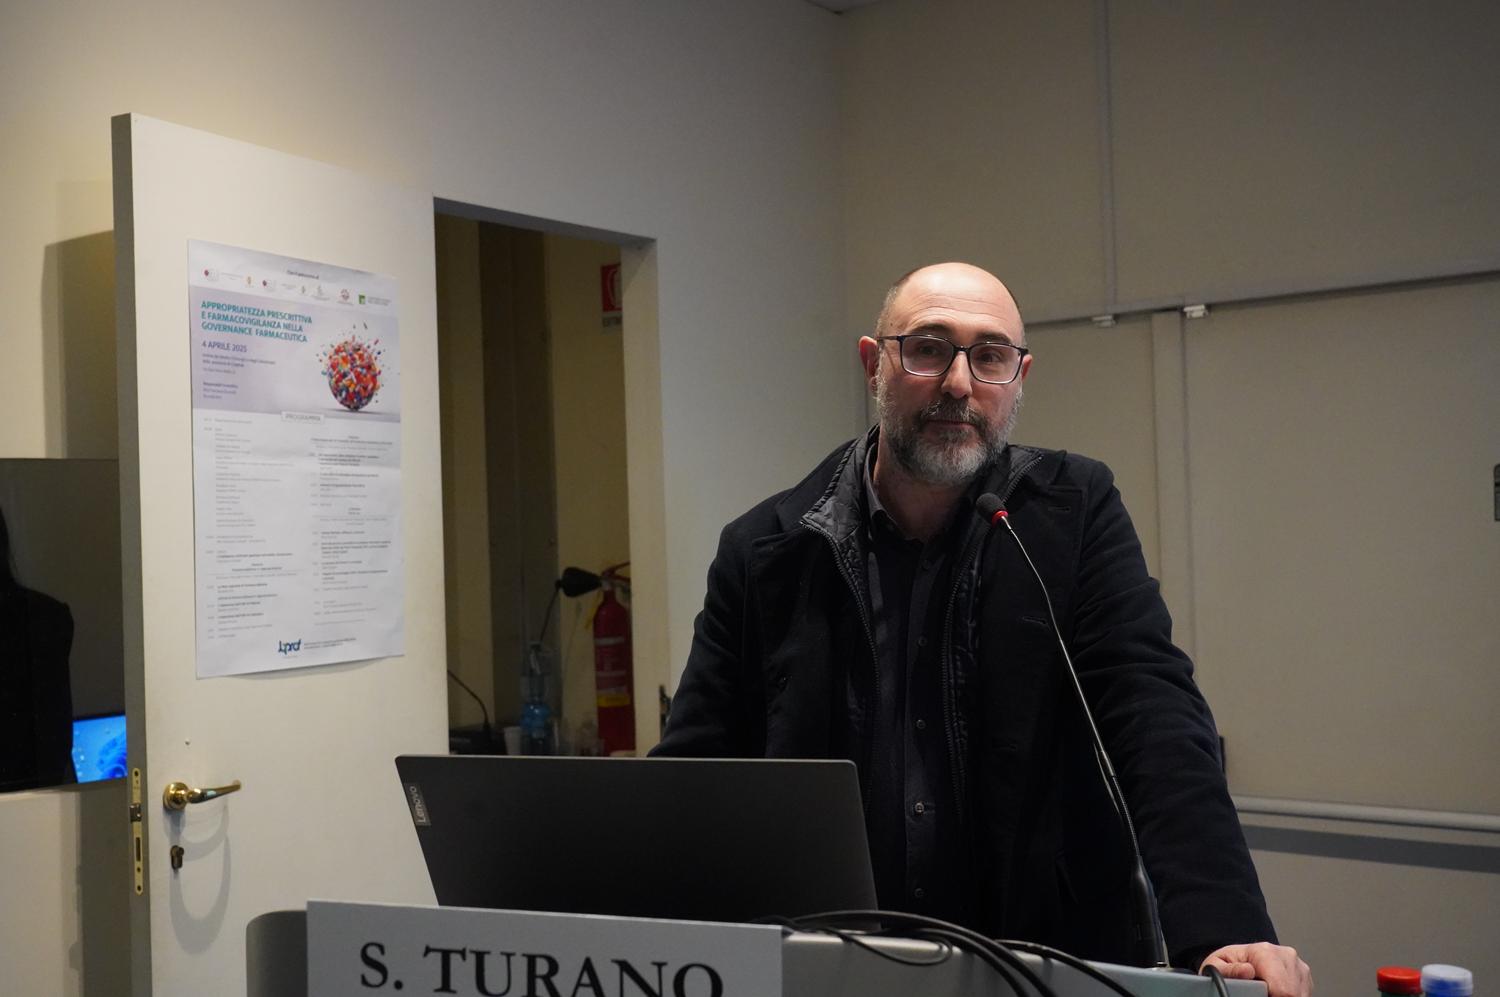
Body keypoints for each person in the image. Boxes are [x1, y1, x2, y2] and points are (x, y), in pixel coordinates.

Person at [653, 263, 1313, 997]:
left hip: (1040, 965)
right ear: (874, 364)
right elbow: (694, 780)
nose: (959, 383)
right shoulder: (766, 549)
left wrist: (1223, 925)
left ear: (1018, 377)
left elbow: (1154, 715)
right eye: (928, 349)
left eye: (990, 355)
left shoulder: (1073, 512)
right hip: (826, 967)